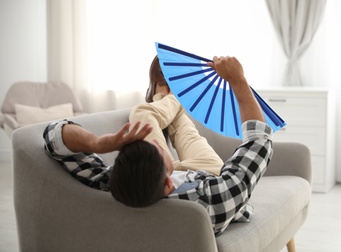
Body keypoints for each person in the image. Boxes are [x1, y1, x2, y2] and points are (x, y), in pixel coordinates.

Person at [43, 55, 273, 235]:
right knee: (182, 128)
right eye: (159, 149)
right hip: (208, 175)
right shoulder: (217, 197)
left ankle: (163, 97)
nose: (157, 144)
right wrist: (238, 80)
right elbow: (259, 140)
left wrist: (100, 143)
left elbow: (53, 134)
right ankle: (174, 96)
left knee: (147, 114)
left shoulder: (111, 185)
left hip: (152, 181)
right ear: (167, 181)